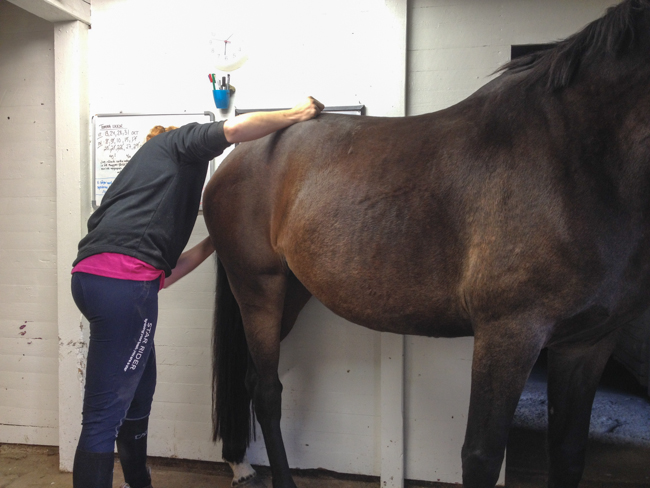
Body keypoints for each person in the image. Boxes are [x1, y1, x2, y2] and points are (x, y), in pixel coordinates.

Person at [70, 96, 324, 488]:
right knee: (103, 417)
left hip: (97, 281)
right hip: (125, 289)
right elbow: (234, 129)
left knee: (139, 392)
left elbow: (166, 274)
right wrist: (297, 114)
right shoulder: (175, 142)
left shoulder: (137, 184)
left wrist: (216, 241)